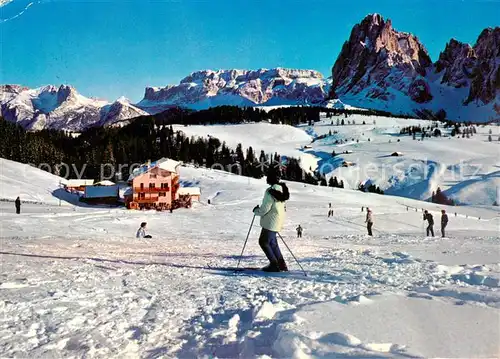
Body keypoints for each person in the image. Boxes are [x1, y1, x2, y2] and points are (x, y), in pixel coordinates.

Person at [253, 166, 289, 272]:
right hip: (278, 220)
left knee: (263, 242)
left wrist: (256, 211)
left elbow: (265, 209)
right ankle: (281, 264)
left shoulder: (270, 191)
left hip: (270, 221)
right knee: (272, 243)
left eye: (268, 176)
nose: (266, 178)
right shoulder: (281, 190)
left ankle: (274, 265)